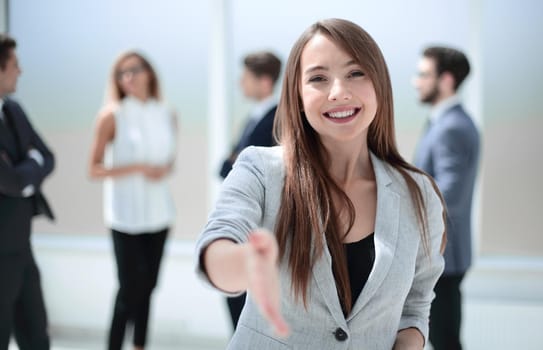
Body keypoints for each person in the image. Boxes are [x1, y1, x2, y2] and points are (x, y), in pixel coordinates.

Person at [196, 18, 446, 349]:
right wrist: (247, 264)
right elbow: (218, 241)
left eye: (356, 73)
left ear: (379, 85)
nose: (339, 92)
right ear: (297, 96)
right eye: (318, 78)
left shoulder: (418, 193)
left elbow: (415, 304)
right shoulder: (260, 169)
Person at [88, 51, 177, 350]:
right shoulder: (112, 115)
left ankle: (139, 346)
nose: (128, 78)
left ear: (149, 73)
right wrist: (137, 168)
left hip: (159, 215)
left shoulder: (166, 112)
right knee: (129, 289)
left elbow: (170, 162)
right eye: (121, 73)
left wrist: (162, 169)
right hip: (125, 217)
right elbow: (94, 168)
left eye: (134, 70)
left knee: (148, 288)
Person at [413, 46, 480, 350]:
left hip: (444, 255)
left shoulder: (451, 127)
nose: (417, 82)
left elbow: (448, 192)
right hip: (445, 253)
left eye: (424, 74)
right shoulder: (445, 123)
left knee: (444, 340)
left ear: (447, 80)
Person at [219, 50, 282, 331]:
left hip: (259, 222)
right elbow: (226, 164)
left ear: (265, 82)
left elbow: (240, 165)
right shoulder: (254, 116)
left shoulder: (276, 120)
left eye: (245, 77)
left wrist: (233, 162)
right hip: (246, 220)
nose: (239, 83)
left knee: (244, 296)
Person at [0, 33, 55, 350]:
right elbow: (10, 182)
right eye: (14, 65)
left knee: (36, 335)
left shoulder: (14, 110)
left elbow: (48, 157)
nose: (20, 71)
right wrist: (27, 168)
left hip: (22, 245)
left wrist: (22, 170)